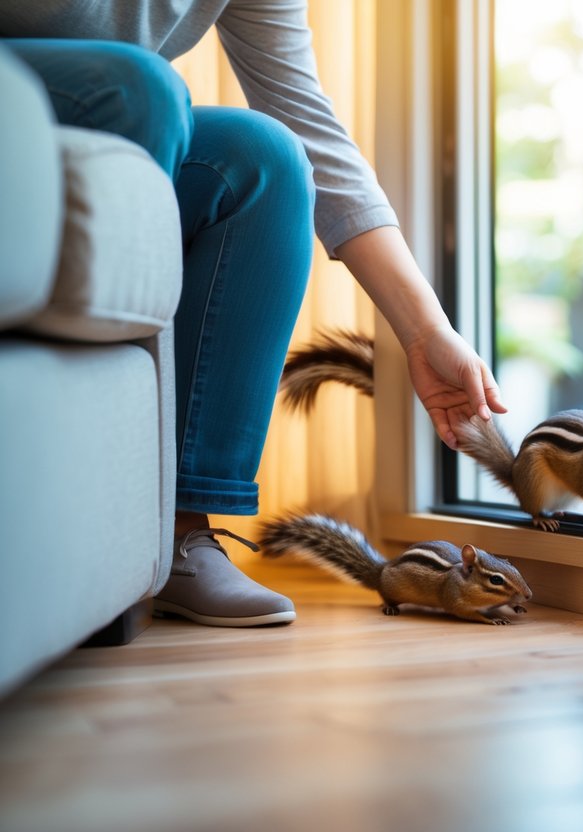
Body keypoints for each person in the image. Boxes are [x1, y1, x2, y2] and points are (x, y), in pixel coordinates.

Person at [0, 2, 507, 627]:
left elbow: (311, 127)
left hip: (118, 128)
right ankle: (72, 509)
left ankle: (179, 531)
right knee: (141, 87)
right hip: (38, 101)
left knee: (269, 156)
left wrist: (427, 332)